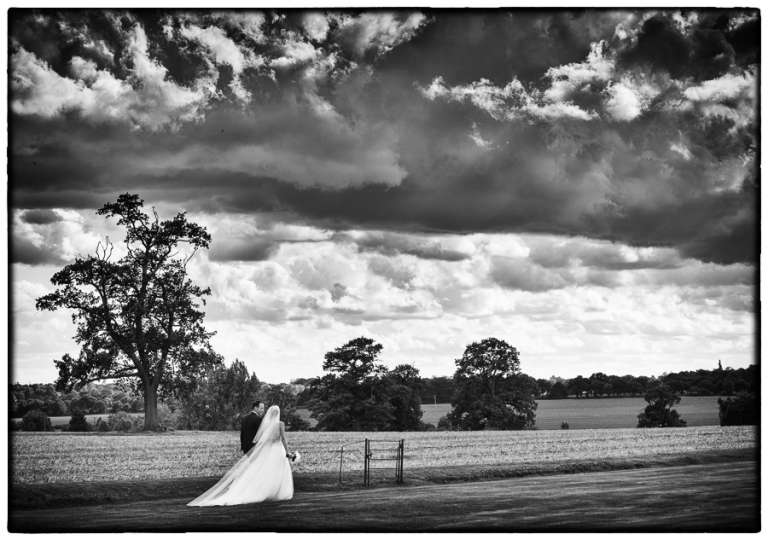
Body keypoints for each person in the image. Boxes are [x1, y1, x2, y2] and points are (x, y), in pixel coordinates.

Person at [188, 405, 296, 507]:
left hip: (267, 450)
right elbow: (284, 439)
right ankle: (277, 492)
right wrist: (288, 452)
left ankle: (264, 491)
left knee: (263, 470)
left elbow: (262, 440)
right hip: (277, 449)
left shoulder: (266, 424)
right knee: (278, 470)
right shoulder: (280, 424)